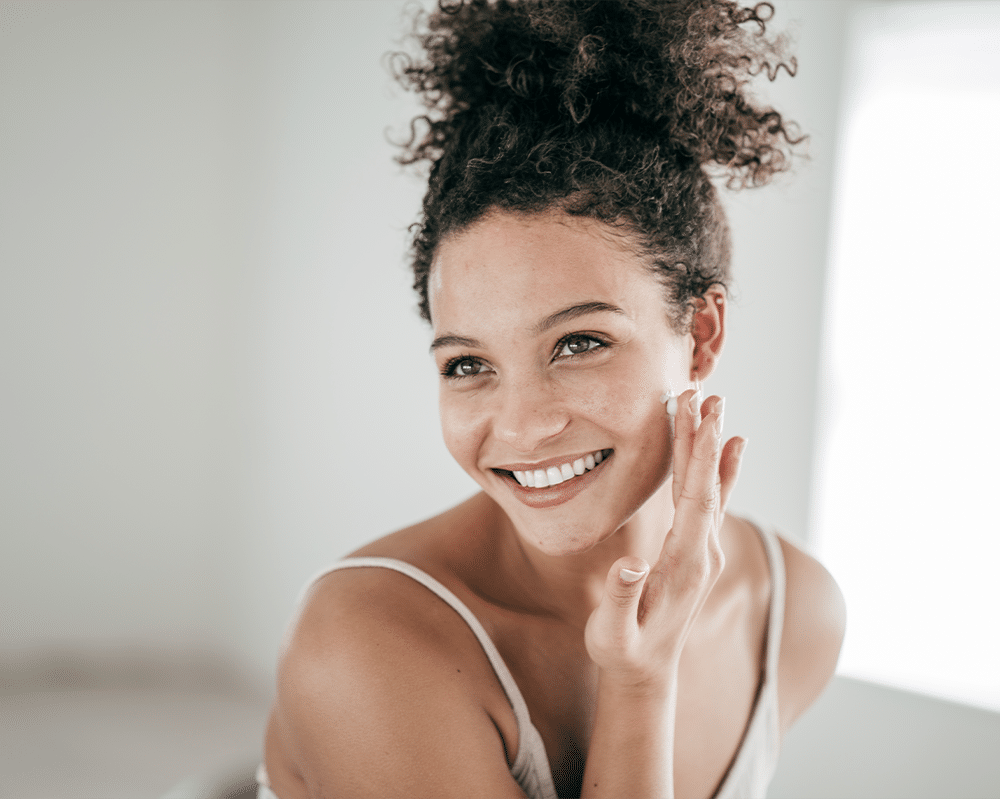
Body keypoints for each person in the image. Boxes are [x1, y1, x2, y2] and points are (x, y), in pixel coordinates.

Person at [258, 0, 845, 796]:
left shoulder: (795, 611)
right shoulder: (364, 638)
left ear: (702, 334)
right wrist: (639, 684)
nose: (524, 425)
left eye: (578, 343)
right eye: (468, 364)